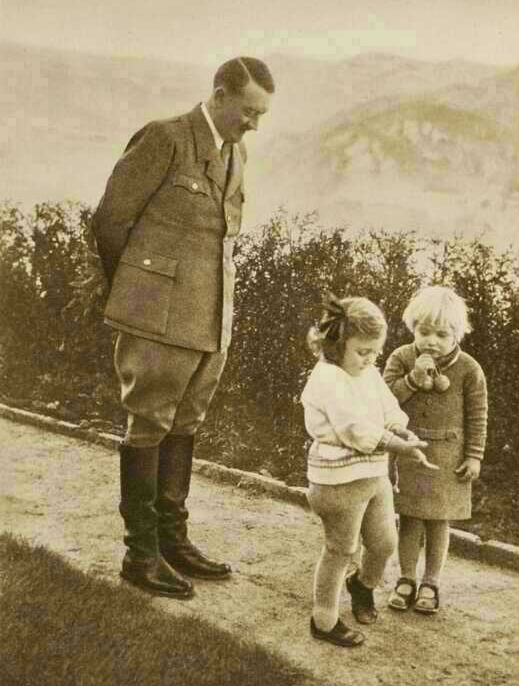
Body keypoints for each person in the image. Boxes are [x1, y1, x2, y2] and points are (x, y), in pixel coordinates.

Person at [92, 57, 275, 599]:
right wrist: (139, 291)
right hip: (158, 314)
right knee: (148, 422)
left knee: (185, 422)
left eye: (261, 115)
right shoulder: (166, 138)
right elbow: (110, 220)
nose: (254, 125)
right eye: (248, 111)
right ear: (220, 94)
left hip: (209, 317)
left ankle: (172, 541)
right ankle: (140, 554)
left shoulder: (235, 152)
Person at [301, 293, 438, 647]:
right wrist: (394, 444)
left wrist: (401, 430)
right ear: (336, 345)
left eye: (375, 352)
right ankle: (323, 619)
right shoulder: (328, 378)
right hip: (338, 478)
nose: (370, 359)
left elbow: (387, 407)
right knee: (340, 549)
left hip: (373, 472)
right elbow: (353, 429)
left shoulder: (368, 373)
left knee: (384, 542)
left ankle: (361, 585)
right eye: (363, 352)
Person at [383, 285, 488, 615]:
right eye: (424, 332)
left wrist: (474, 455)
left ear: (457, 333)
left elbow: (477, 415)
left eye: (441, 334)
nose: (431, 341)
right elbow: (384, 401)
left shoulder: (469, 369)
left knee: (439, 522)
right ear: (412, 327)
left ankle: (431, 582)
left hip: (448, 457)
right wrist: (413, 379)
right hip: (409, 451)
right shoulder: (401, 358)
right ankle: (406, 578)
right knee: (409, 518)